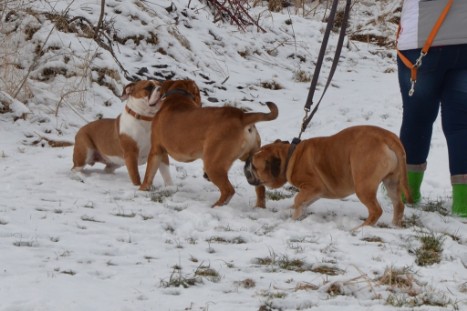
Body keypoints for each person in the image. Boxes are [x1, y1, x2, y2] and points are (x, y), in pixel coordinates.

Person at [396, 0, 467, 216]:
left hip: (422, 38)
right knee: (462, 124)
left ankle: (407, 192)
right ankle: (463, 203)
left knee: (417, 118)